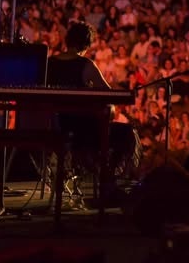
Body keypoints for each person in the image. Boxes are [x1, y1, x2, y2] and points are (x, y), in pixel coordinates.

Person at [48, 22, 138, 200]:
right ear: (86, 45)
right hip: (82, 131)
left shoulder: (49, 63)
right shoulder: (85, 64)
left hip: (56, 126)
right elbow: (109, 95)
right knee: (127, 132)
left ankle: (89, 173)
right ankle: (107, 179)